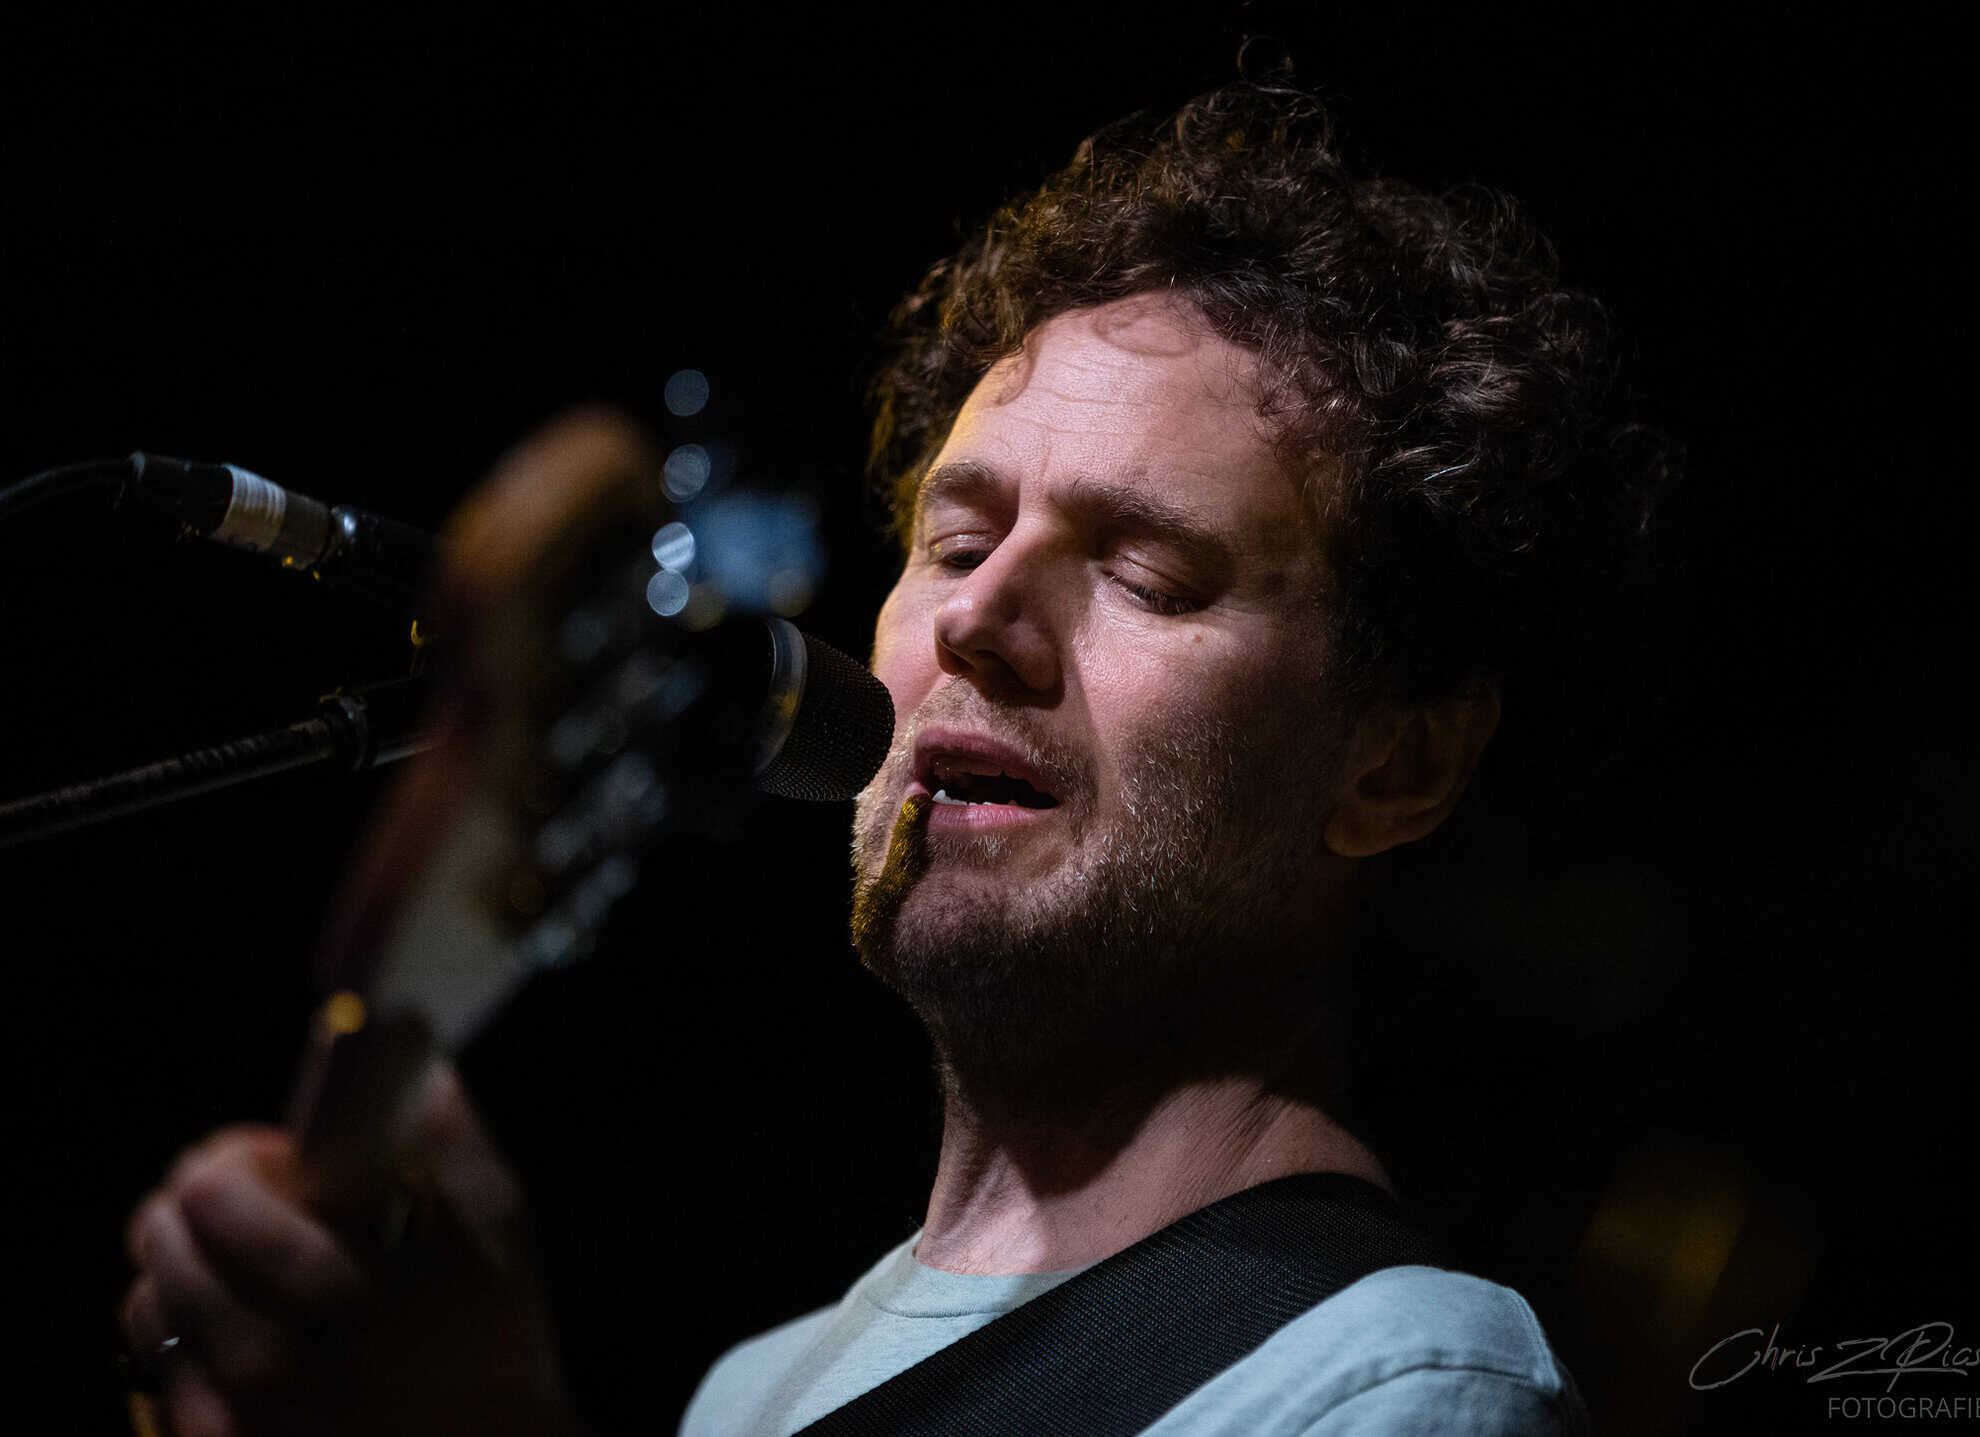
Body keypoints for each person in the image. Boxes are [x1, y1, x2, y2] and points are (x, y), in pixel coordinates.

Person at [122, 81, 1663, 1435]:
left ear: (1397, 765)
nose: (978, 618)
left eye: (1147, 574)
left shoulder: (1395, 1383)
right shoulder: (751, 1390)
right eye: (959, 542)